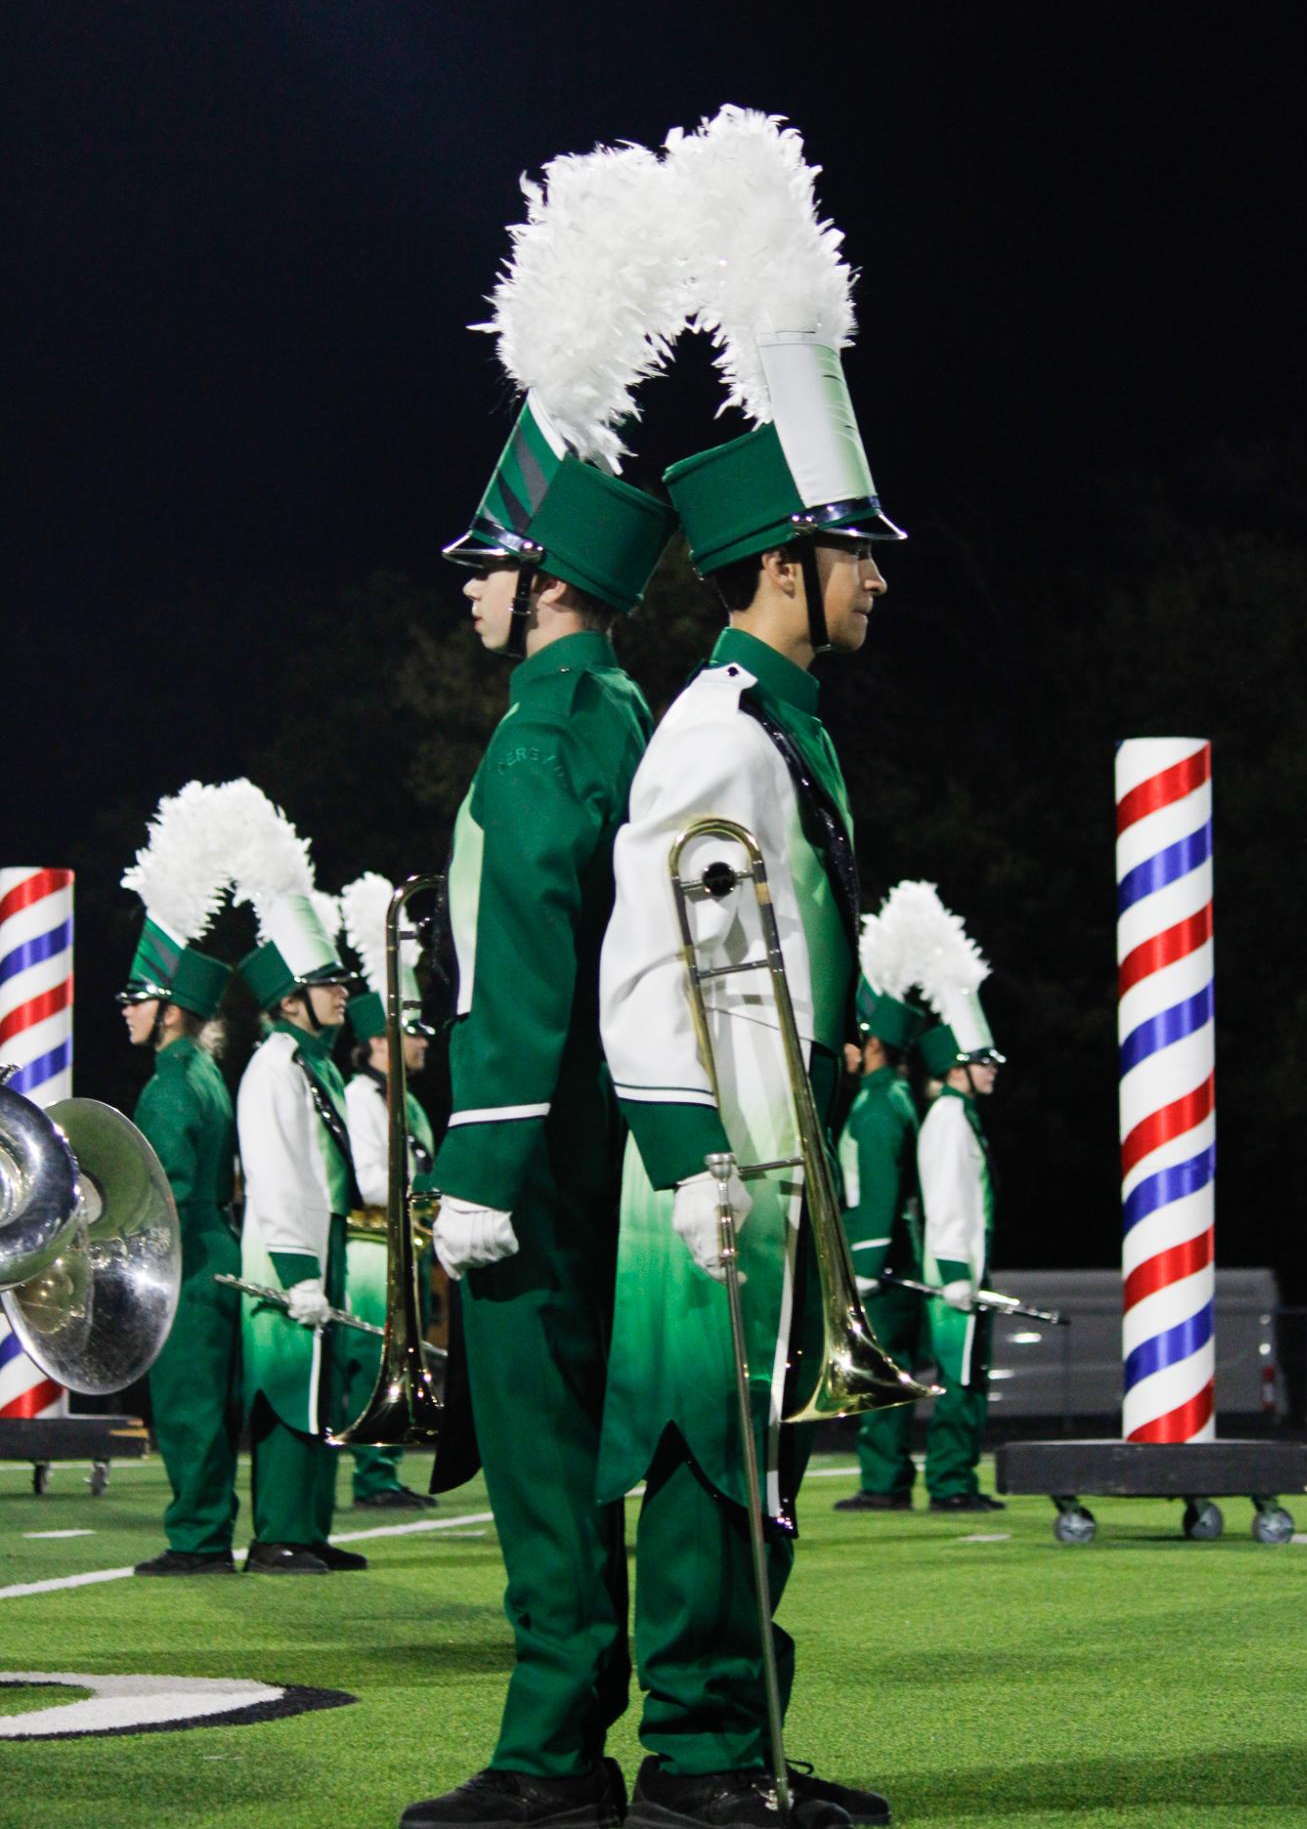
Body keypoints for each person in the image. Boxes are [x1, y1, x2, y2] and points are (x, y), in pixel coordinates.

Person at [598, 108, 929, 1829]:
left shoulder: (778, 722)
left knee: (766, 1474)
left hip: (764, 1155)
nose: (876, 577)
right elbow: (645, 961)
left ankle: (747, 1745)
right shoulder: (714, 733)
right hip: (704, 1173)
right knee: (705, 1462)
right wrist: (691, 1165)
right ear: (781, 566)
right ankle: (705, 1758)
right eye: (853, 551)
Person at [399, 136, 679, 1829]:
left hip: (540, 1151)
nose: (472, 598)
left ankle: (548, 1748)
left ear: (549, 580)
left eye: (487, 570)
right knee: (581, 1444)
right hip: (609, 1144)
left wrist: (476, 1164)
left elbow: (526, 952)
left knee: (545, 1450)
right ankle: (571, 1724)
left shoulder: (542, 738)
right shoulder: (622, 717)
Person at [233, 796, 366, 1574]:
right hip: (289, 1249)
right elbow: (279, 1171)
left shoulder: (318, 1064)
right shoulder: (275, 1066)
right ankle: (278, 1531)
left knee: (325, 1386)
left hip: (327, 1239)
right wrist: (297, 1271)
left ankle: (308, 1527)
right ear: (288, 999)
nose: (343, 993)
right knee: (289, 1387)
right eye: (327, 982)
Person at [118, 782, 240, 1577]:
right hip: (217, 1248)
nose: (121, 1009)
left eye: (134, 996)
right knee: (210, 1404)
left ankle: (196, 1538)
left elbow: (157, 1185)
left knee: (189, 1403)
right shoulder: (206, 1071)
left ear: (167, 1009)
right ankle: (206, 1526)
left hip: (187, 1257)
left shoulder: (167, 1084)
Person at [904, 883, 1006, 1514]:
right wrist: (952, 1275)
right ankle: (949, 1483)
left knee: (970, 1381)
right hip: (954, 1276)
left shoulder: (959, 1116)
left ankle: (956, 1478)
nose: (995, 1068)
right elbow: (945, 1202)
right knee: (959, 1382)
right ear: (956, 1066)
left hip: (966, 1271)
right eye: (983, 1058)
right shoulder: (946, 1119)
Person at [339, 869, 438, 1509]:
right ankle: (372, 1477)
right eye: (412, 1031)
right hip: (372, 1245)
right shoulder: (360, 1097)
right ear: (380, 1042)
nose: (424, 1041)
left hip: (405, 1245)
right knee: (373, 1360)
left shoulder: (410, 1104)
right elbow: (374, 1181)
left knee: (403, 1356)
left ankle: (387, 1470)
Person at [833, 954, 928, 1513]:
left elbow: (877, 1192)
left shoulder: (874, 1105)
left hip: (882, 1267)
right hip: (898, 1260)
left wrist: (864, 1267)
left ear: (872, 1045)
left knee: (880, 1374)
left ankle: (884, 1481)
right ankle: (890, 1476)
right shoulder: (897, 1097)